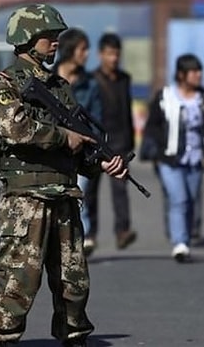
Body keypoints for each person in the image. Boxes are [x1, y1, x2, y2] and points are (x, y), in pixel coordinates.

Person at [0, 5, 127, 347]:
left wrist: (100, 163)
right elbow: (13, 127)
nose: (55, 41)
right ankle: (0, 338)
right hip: (26, 200)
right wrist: (63, 136)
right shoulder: (4, 84)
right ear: (26, 38)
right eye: (48, 35)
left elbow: (78, 142)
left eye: (57, 35)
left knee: (73, 279)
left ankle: (74, 334)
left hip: (63, 194)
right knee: (19, 278)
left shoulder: (59, 85)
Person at [144, 54, 204, 261]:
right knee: (179, 199)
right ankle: (180, 243)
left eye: (199, 71)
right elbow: (153, 126)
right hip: (169, 159)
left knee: (192, 200)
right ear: (181, 74)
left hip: (195, 159)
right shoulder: (165, 97)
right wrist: (156, 152)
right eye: (194, 71)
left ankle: (184, 234)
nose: (198, 75)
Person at [82, 32, 136, 254]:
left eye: (116, 54)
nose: (114, 58)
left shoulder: (124, 79)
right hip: (97, 141)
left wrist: (130, 139)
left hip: (120, 141)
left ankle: (123, 231)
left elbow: (127, 110)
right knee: (91, 190)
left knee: (121, 188)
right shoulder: (91, 79)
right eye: (109, 54)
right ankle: (90, 234)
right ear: (100, 54)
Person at [54, 28, 103, 257]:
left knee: (80, 193)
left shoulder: (89, 83)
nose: (86, 54)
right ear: (69, 50)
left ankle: (81, 238)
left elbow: (96, 117)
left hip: (81, 150)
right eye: (82, 49)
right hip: (54, 148)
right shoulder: (50, 79)